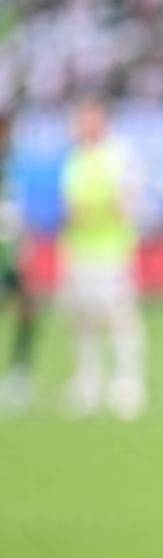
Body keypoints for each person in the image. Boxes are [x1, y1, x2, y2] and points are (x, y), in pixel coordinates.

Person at [58, 98, 146, 419]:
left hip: (112, 252)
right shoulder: (75, 158)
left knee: (119, 318)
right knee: (82, 320)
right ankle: (88, 383)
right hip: (80, 251)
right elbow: (70, 208)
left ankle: (127, 384)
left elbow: (124, 204)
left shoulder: (119, 155)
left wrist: (92, 212)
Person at [0, 110, 37, 412]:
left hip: (8, 256)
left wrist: (21, 243)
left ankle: (19, 373)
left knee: (27, 309)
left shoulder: (9, 167)